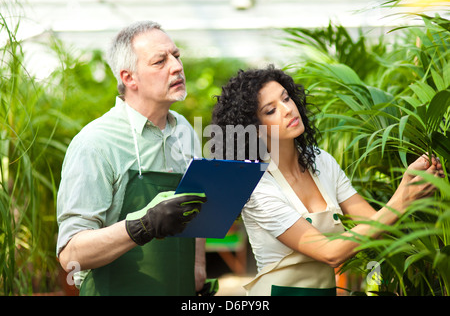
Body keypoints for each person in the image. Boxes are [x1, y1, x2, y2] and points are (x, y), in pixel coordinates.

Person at [211, 65, 445, 296]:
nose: (288, 110)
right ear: (255, 129)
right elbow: (330, 252)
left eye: (286, 98)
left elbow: (375, 225)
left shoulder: (321, 161)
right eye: (271, 110)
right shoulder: (257, 187)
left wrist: (412, 185)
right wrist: (402, 199)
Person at [56, 21, 208, 296]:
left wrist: (197, 270)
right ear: (129, 78)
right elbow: (70, 256)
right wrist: (143, 225)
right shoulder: (96, 143)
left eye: (176, 56)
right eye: (160, 61)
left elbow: (194, 208)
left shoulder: (185, 130)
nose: (176, 66)